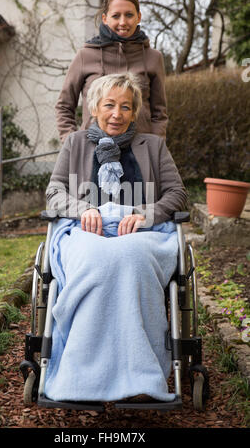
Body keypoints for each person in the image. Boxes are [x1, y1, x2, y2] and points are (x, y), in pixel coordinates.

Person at [44, 73, 186, 404]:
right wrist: (81, 210)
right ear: (94, 107)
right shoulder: (75, 143)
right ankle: (81, 377)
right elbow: (54, 192)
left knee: (130, 258)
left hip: (141, 231)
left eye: (125, 107)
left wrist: (145, 214)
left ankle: (140, 376)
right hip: (86, 228)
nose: (116, 114)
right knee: (96, 259)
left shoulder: (153, 146)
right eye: (109, 105)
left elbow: (177, 193)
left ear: (134, 112)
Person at [55, 0, 168, 143]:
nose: (123, 22)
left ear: (139, 17)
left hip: (140, 153)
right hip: (93, 152)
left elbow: (159, 112)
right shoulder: (85, 56)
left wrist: (155, 146)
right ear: (105, 18)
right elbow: (64, 107)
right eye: (116, 16)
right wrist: (72, 143)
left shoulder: (153, 58)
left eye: (129, 15)